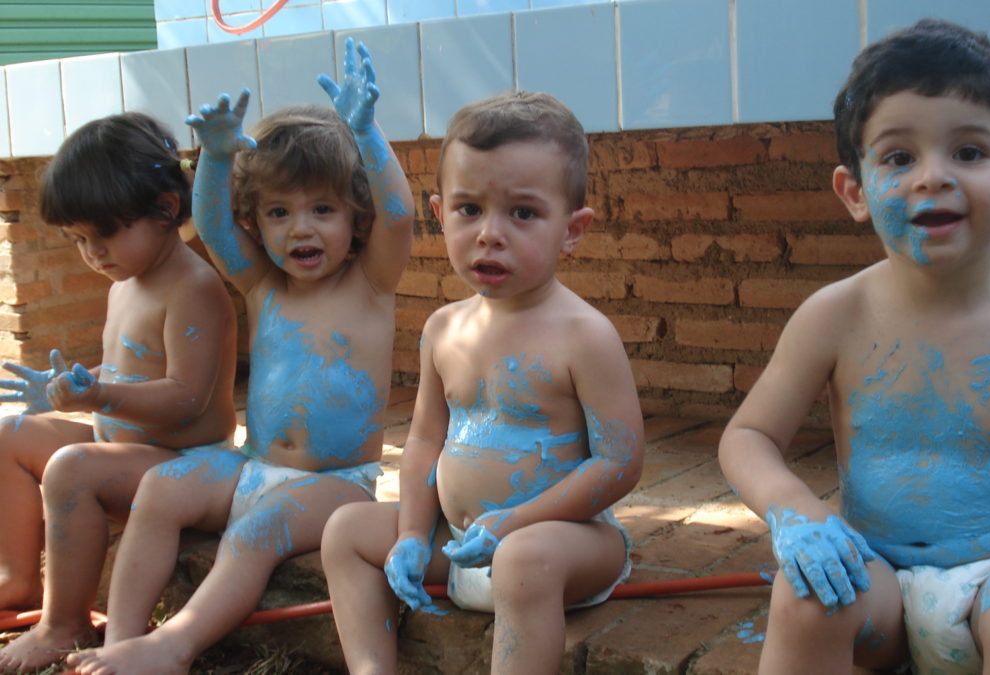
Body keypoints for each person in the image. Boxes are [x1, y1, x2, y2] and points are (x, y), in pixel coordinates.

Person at [717, 19, 990, 675]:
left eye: (968, 152)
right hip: (873, 579)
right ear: (855, 192)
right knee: (805, 594)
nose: (932, 177)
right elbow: (747, 435)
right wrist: (797, 514)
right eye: (898, 157)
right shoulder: (834, 315)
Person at [66, 39, 413, 675]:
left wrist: (367, 133)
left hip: (335, 484)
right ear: (257, 220)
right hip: (251, 465)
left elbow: (400, 214)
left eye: (322, 210)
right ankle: (121, 643)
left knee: (254, 535)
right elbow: (215, 229)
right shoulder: (263, 285)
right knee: (160, 488)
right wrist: (218, 158)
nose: (300, 229)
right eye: (279, 212)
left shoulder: (371, 283)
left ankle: (174, 648)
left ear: (355, 218)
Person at [320, 90, 645, 674]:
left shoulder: (584, 335)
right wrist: (415, 534)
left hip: (558, 548)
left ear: (572, 230)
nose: (490, 234)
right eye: (470, 210)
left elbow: (620, 463)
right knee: (345, 528)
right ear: (440, 215)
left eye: (522, 213)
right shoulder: (444, 328)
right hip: (461, 543)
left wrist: (517, 523)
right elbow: (423, 441)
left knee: (523, 559)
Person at [0, 112, 238, 672]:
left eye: (104, 234)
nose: (93, 253)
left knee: (71, 467)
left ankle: (64, 625)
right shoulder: (127, 282)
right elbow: (126, 369)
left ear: (165, 208)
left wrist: (100, 398)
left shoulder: (193, 287)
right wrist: (76, 387)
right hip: (126, 447)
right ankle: (15, 580)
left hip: (184, 466)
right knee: (8, 434)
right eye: (79, 239)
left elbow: (186, 398)